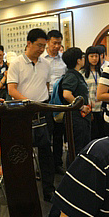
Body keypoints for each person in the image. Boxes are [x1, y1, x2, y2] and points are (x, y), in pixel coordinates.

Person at [6, 28, 55, 201]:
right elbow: (11, 90)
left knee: (46, 154)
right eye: (39, 45)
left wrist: (40, 103)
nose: (42, 49)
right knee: (24, 154)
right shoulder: (17, 63)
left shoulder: (46, 64)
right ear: (28, 43)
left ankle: (49, 190)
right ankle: (26, 192)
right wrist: (29, 103)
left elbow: (46, 86)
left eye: (44, 46)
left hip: (42, 111)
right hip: (23, 114)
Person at [58, 47, 92, 155]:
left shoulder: (76, 74)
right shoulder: (71, 75)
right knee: (77, 148)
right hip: (75, 117)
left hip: (80, 117)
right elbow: (67, 94)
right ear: (78, 60)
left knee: (81, 146)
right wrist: (81, 107)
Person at [44, 29, 67, 174]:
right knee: (46, 134)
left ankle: (57, 162)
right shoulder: (41, 59)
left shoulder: (63, 59)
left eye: (59, 43)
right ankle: (46, 164)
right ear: (48, 42)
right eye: (54, 43)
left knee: (59, 133)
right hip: (46, 99)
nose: (57, 46)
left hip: (59, 99)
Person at [82, 46, 105, 140]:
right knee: (91, 135)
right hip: (89, 109)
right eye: (92, 56)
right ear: (87, 57)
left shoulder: (102, 72)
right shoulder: (82, 73)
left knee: (102, 135)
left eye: (96, 56)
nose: (94, 59)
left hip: (101, 108)